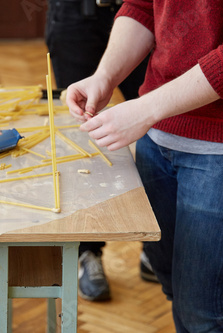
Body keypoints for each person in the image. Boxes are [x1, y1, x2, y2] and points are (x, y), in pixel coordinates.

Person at [66, 0, 223, 331]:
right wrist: (105, 76)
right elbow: (143, 7)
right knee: (175, 284)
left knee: (205, 310)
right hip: (159, 131)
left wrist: (144, 110)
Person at [45, 0, 155, 302]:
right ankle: (86, 252)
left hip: (151, 10)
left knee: (159, 127)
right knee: (80, 138)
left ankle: (158, 248)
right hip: (76, 13)